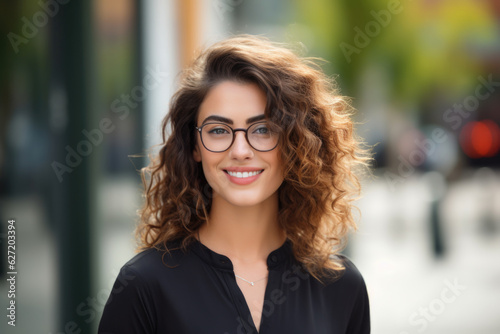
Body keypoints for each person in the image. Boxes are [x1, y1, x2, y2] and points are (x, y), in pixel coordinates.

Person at [98, 35, 371, 334]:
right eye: (218, 130)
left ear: (294, 143)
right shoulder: (145, 285)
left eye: (264, 129)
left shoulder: (340, 287)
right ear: (194, 146)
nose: (240, 151)